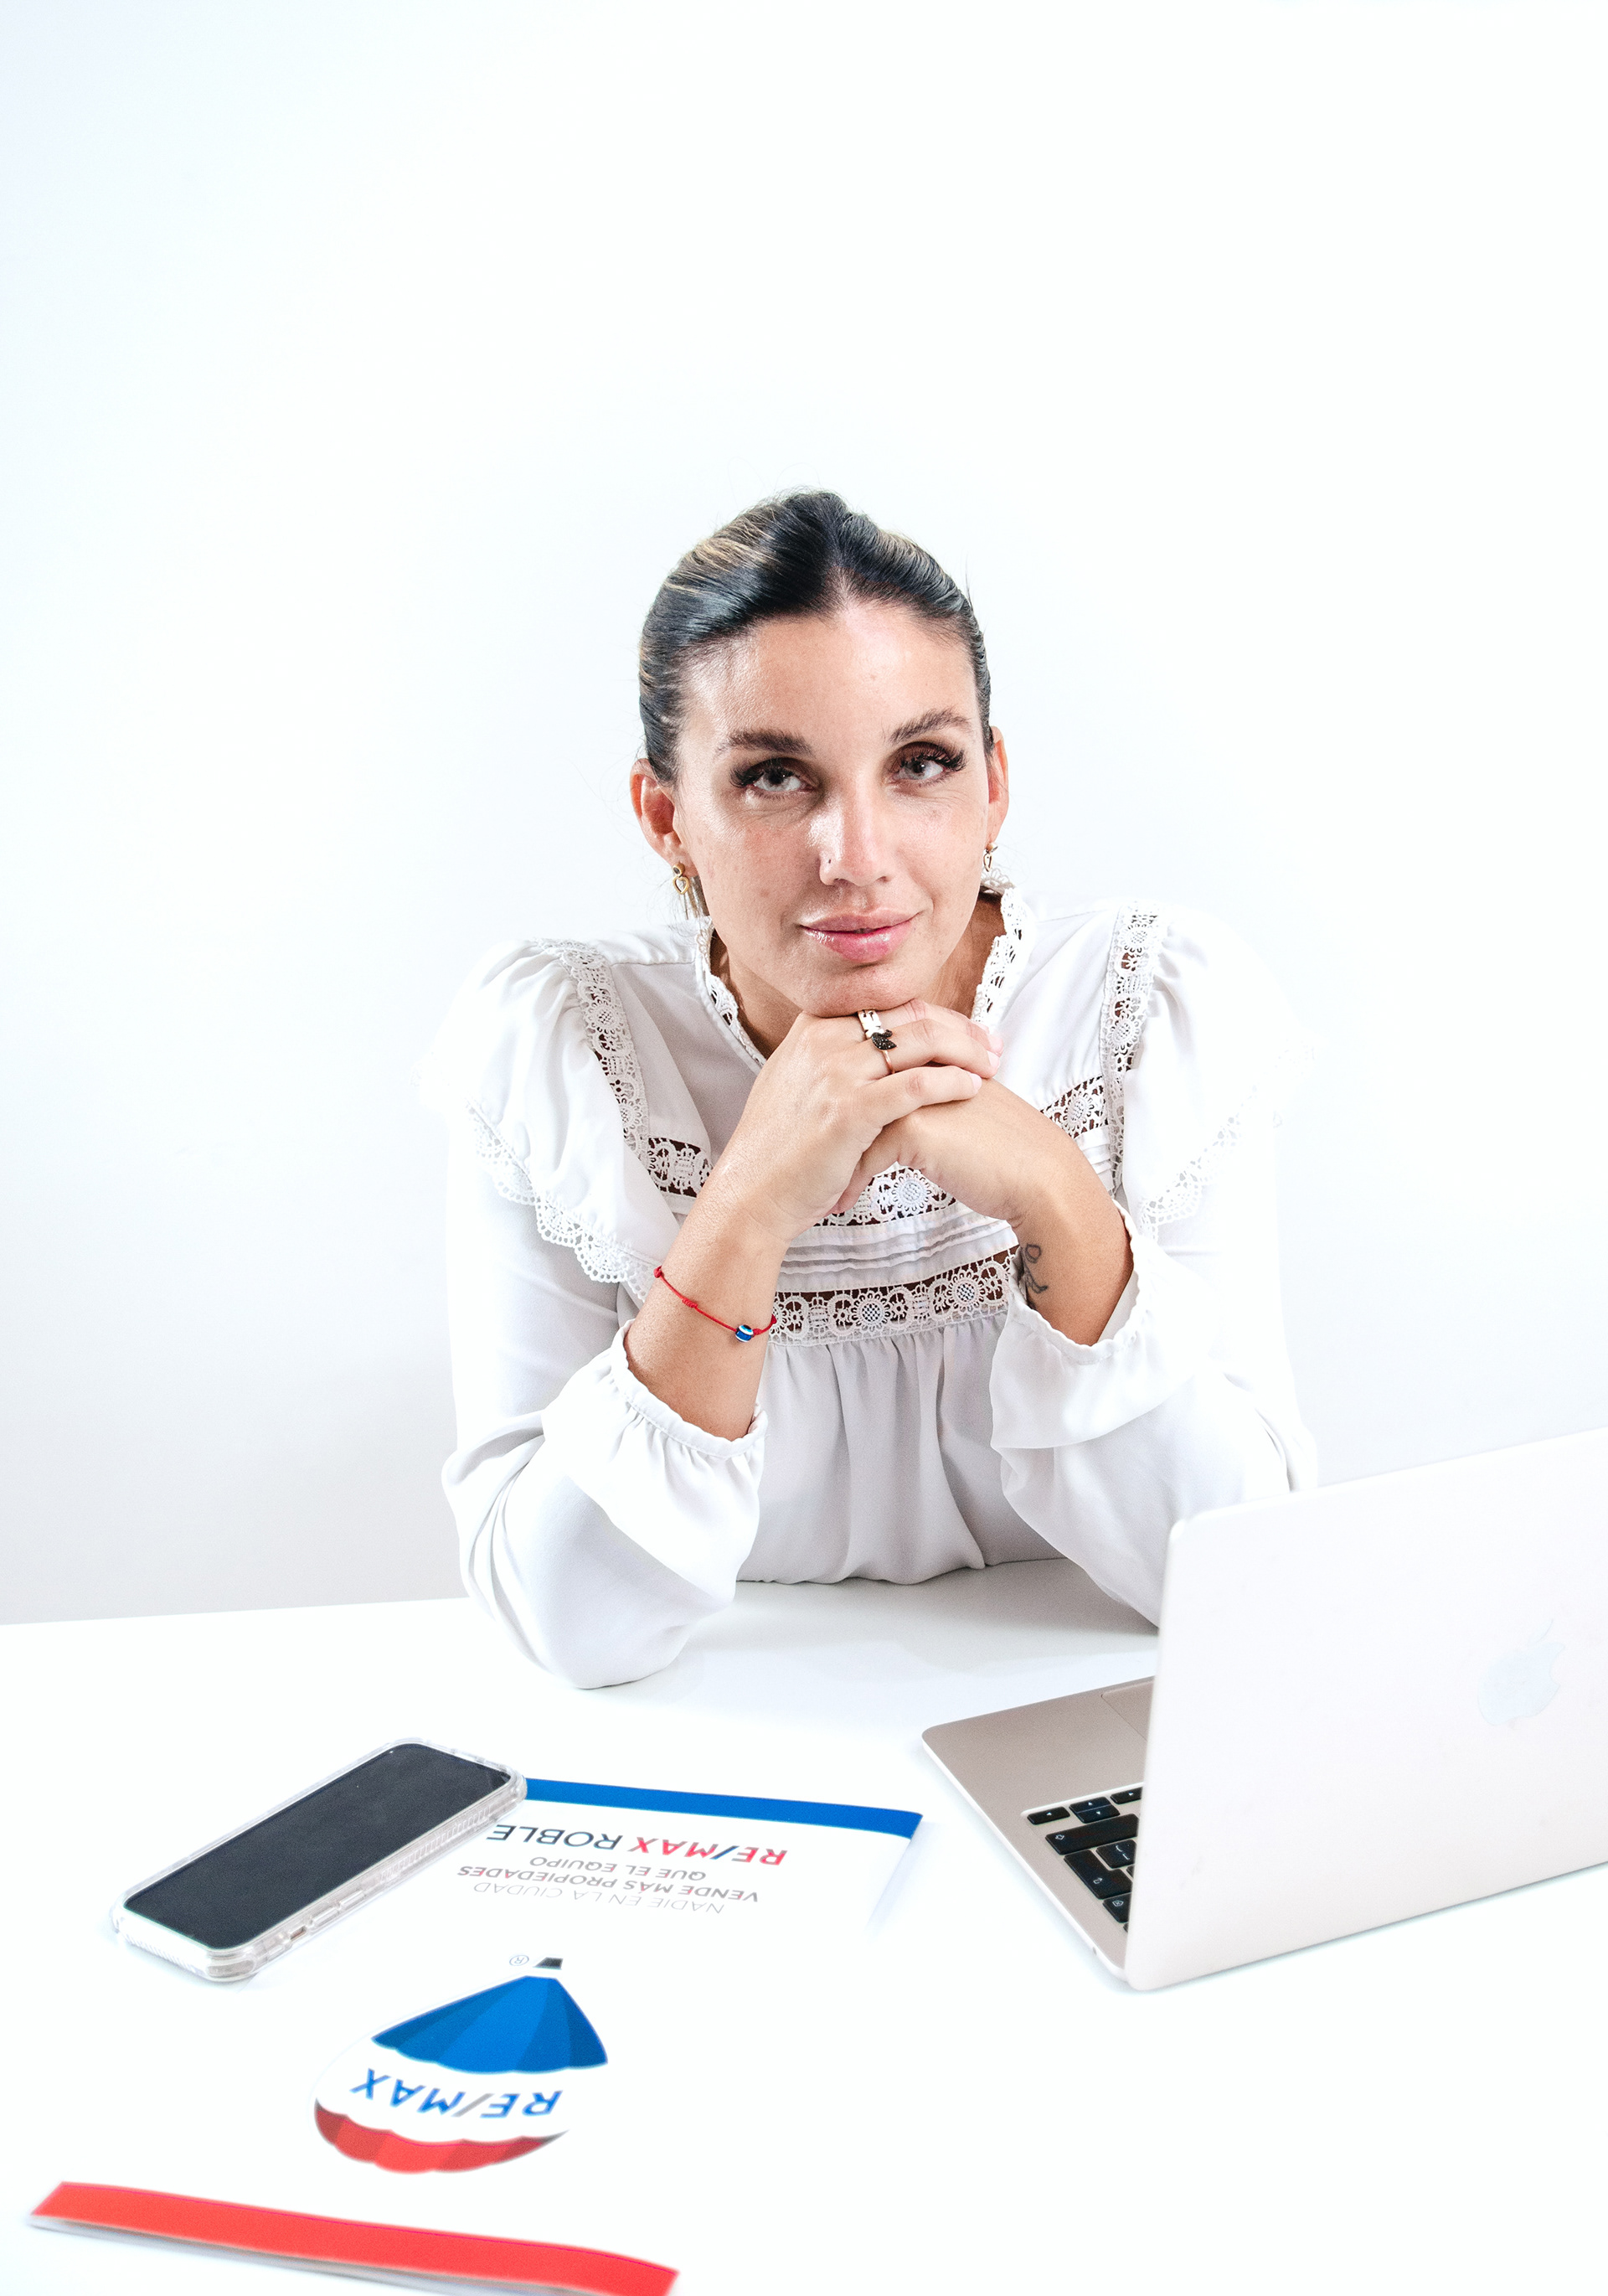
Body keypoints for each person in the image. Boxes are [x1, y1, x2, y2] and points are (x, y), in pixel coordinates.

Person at [421, 492, 1314, 1686]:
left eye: (921, 764)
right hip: (734, 1735)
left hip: (1082, 1718)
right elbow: (568, 1624)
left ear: (994, 784)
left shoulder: (1150, 1010)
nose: (858, 858)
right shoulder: (562, 1053)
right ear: (666, 817)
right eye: (774, 778)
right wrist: (747, 1206)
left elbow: (1247, 1583)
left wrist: (1060, 1200)